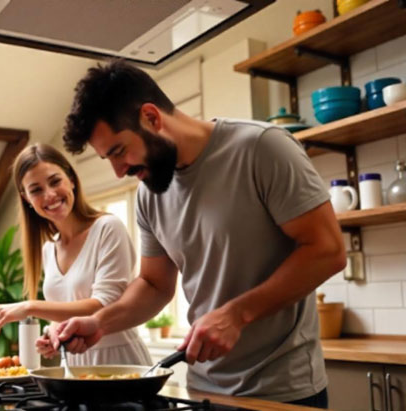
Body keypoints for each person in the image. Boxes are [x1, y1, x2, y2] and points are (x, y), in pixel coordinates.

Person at [52, 60, 346, 407]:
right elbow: (154, 284)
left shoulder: (262, 148)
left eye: (118, 151)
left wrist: (237, 314)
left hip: (283, 391)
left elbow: (328, 250)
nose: (118, 172)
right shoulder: (149, 193)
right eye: (108, 159)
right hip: (203, 390)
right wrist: (99, 322)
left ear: (151, 117)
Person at [0, 143, 151, 366]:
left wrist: (29, 307)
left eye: (55, 181)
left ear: (71, 180)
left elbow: (104, 305)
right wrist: (54, 333)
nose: (50, 195)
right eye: (36, 190)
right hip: (72, 369)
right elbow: (67, 310)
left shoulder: (108, 228)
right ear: (26, 199)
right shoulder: (48, 249)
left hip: (118, 363)